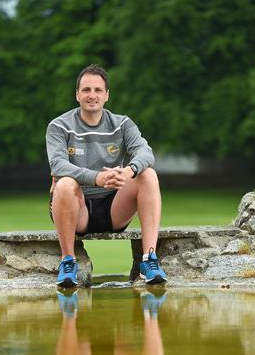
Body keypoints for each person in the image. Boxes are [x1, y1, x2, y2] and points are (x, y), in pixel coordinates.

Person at [46, 64, 167, 287]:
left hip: (113, 207)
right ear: (77, 94)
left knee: (147, 175)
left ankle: (149, 259)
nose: (92, 95)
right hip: (76, 208)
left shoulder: (122, 124)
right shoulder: (59, 126)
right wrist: (95, 178)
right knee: (64, 184)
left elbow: (145, 152)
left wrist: (128, 170)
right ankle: (68, 261)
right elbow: (58, 164)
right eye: (86, 90)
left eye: (98, 90)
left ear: (107, 95)